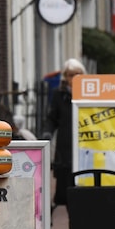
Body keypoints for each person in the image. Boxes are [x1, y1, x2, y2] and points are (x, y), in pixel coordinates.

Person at [46, 58, 85, 208]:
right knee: (65, 190)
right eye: (70, 74)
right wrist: (47, 132)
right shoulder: (59, 95)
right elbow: (52, 118)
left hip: (85, 146)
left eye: (78, 74)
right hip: (65, 147)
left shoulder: (89, 93)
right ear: (65, 76)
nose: (74, 78)